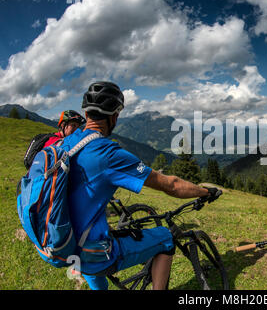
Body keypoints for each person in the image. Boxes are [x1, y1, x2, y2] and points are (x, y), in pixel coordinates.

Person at [62, 81, 217, 290]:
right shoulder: (107, 153)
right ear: (114, 115)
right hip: (93, 251)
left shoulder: (65, 144)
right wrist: (205, 191)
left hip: (65, 245)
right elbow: (171, 185)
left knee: (92, 267)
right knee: (167, 237)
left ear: (86, 112)